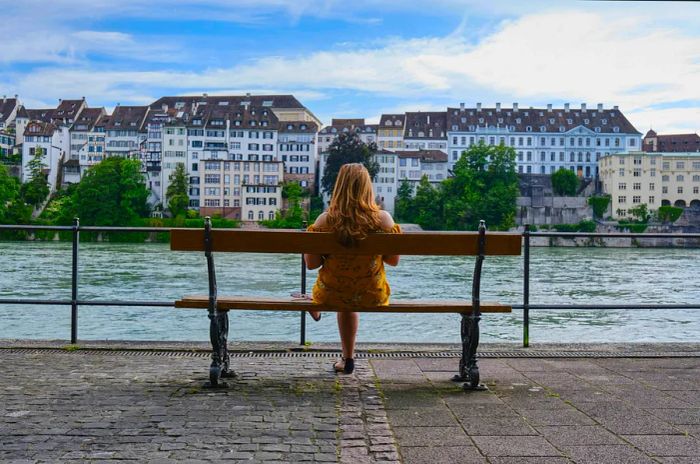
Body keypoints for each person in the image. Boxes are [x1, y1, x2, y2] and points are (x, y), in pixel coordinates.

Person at [304, 163, 401, 374]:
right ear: (368, 187)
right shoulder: (383, 220)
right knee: (351, 295)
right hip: (372, 294)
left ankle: (316, 307)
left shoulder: (325, 220)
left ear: (339, 187)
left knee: (341, 294)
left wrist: (308, 239)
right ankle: (347, 358)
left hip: (331, 293)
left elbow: (311, 265)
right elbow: (393, 260)